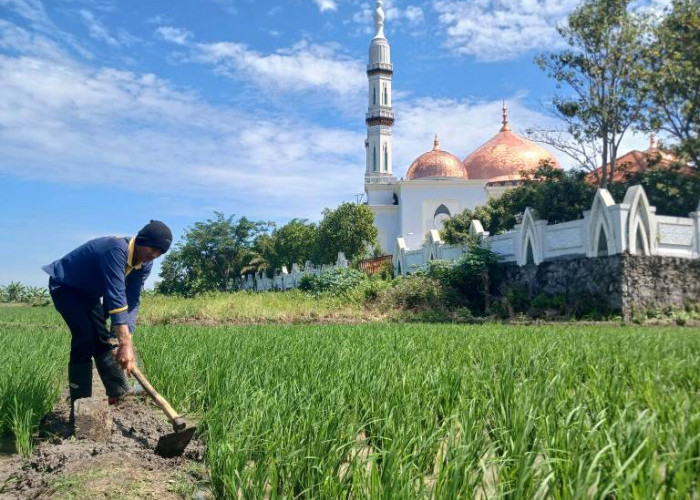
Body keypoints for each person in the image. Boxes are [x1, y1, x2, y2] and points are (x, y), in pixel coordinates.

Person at [42, 220, 172, 414]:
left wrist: (124, 337)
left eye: (160, 252)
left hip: (89, 293)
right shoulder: (115, 250)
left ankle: (118, 392)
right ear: (141, 240)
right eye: (153, 248)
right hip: (66, 287)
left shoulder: (144, 264)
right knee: (84, 338)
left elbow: (132, 299)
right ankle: (80, 406)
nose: (154, 255)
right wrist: (125, 344)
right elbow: (116, 295)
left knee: (102, 340)